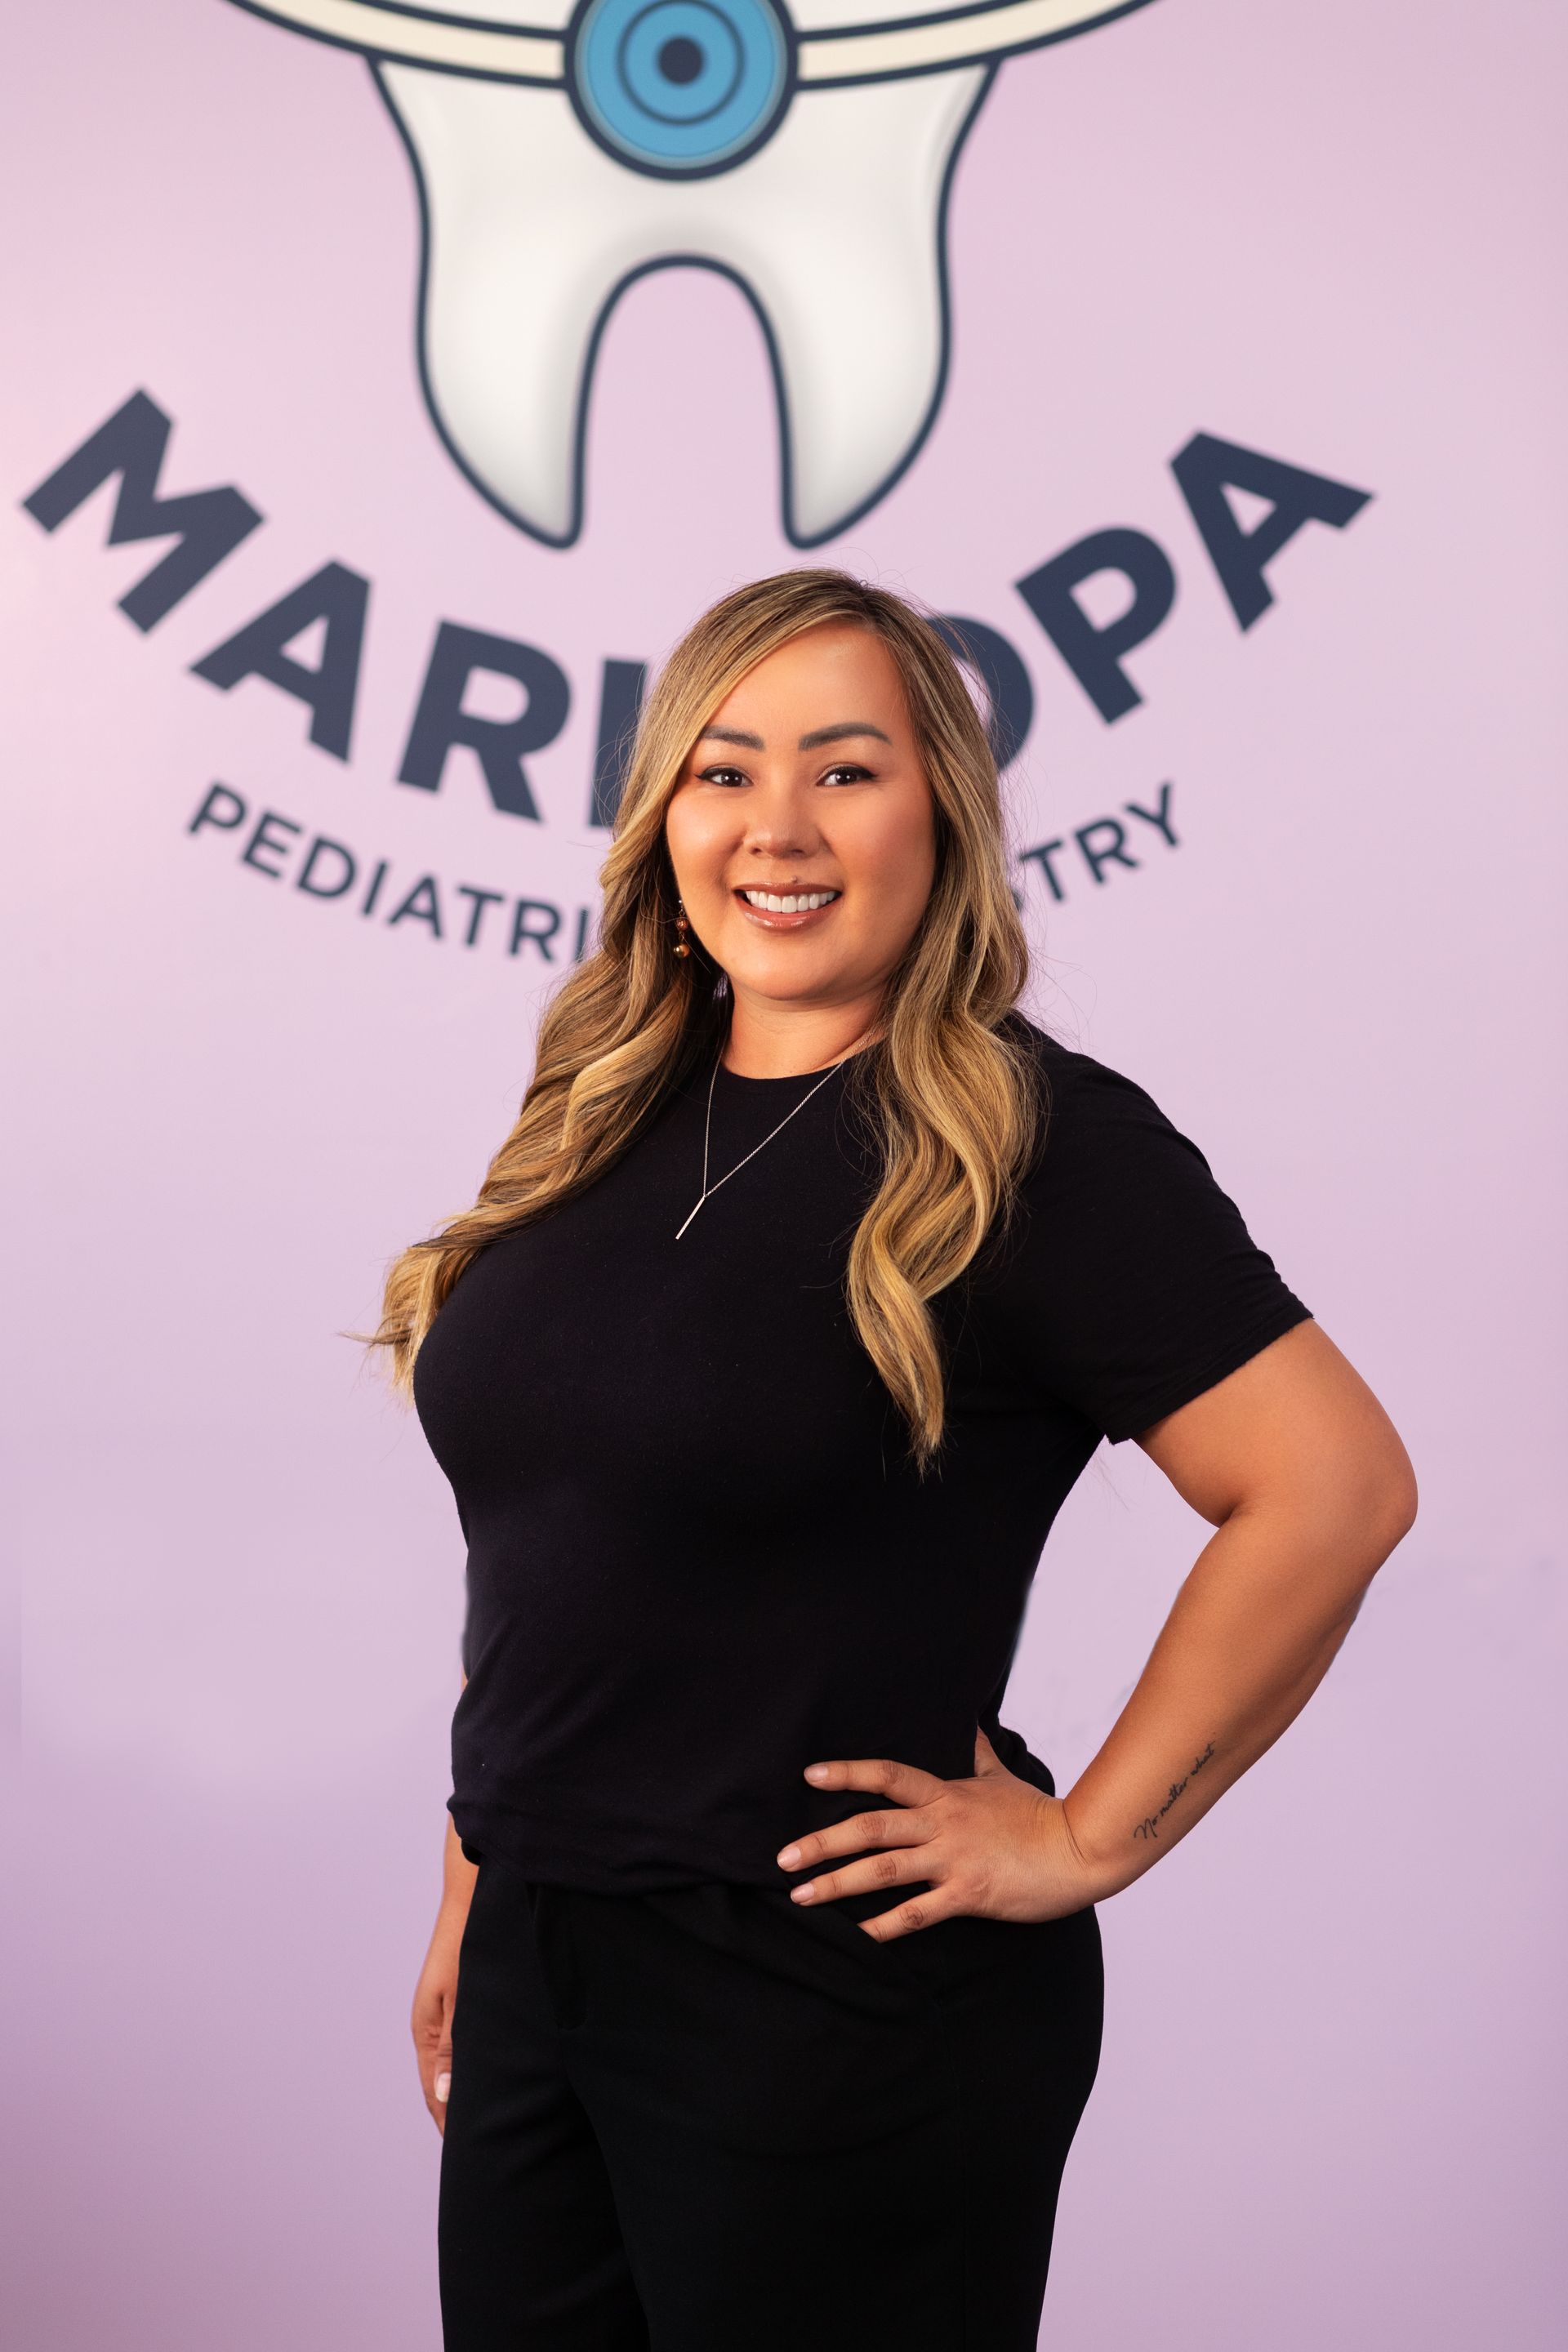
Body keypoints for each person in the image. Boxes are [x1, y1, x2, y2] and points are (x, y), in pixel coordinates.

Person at [370, 568, 1418, 2351]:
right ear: (663, 823)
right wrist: (487, 1874)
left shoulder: (1034, 1143)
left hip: (833, 2000)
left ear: (942, 809)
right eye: (724, 769)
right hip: (550, 1950)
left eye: (845, 770)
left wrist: (1090, 1835)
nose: (779, 825)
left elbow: (1333, 1485)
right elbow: (560, 1549)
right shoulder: (599, 1111)